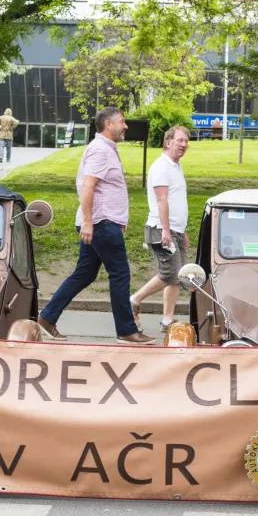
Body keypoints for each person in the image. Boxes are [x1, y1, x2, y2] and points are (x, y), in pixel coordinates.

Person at [37, 107, 155, 344]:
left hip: (103, 222)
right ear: (108, 124)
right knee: (120, 274)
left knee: (85, 274)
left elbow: (103, 188)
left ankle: (47, 318)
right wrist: (90, 223)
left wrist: (115, 219)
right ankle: (126, 330)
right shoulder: (100, 150)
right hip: (100, 223)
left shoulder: (106, 149)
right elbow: (88, 186)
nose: (126, 126)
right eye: (122, 121)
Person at [130, 126, 191, 334]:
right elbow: (161, 200)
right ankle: (134, 300)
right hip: (160, 228)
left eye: (186, 141)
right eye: (180, 140)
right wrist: (166, 230)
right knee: (170, 273)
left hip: (175, 229)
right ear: (168, 142)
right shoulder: (160, 167)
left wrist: (181, 230)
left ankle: (167, 320)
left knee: (178, 275)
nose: (184, 144)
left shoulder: (176, 166)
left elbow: (176, 200)